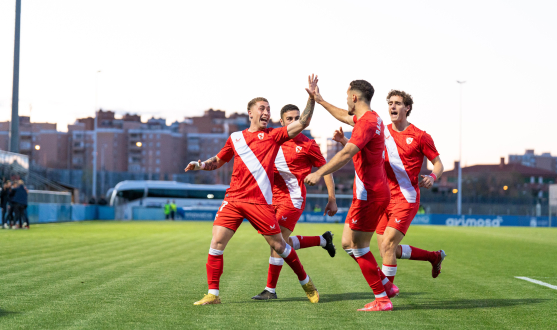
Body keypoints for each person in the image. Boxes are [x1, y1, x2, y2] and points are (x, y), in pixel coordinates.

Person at [185, 75, 320, 305]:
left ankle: (306, 281)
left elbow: (303, 122)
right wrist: (200, 165)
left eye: (269, 109)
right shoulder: (235, 138)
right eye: (262, 108)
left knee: (279, 246)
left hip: (259, 203)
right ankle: (213, 294)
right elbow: (218, 160)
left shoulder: (274, 135)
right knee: (216, 243)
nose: (266, 112)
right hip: (234, 199)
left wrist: (312, 99)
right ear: (251, 113)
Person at [332, 90, 446, 290]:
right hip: (383, 198)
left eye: (398, 103)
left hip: (406, 199)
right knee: (386, 250)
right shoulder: (381, 131)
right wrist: (343, 141)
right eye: (390, 103)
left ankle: (386, 294)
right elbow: (350, 122)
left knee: (388, 246)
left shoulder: (420, 136)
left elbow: (438, 163)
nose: (392, 107)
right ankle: (433, 257)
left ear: (407, 108)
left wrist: (432, 177)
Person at [304, 79, 394, 312]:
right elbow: (343, 116)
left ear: (354, 97)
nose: (346, 101)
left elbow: (346, 154)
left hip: (370, 194)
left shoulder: (366, 124)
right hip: (370, 192)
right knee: (347, 243)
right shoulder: (372, 118)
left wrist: (319, 173)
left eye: (347, 97)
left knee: (359, 246)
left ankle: (382, 299)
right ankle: (385, 284)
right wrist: (320, 100)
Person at [251, 103, 338, 301]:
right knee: (281, 242)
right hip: (270, 200)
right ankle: (323, 240)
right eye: (289, 119)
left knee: (276, 241)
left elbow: (326, 171)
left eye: (297, 118)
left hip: (293, 199)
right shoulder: (272, 137)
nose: (294, 122)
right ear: (281, 122)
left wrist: (331, 199)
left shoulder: (308, 144)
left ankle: (270, 290)